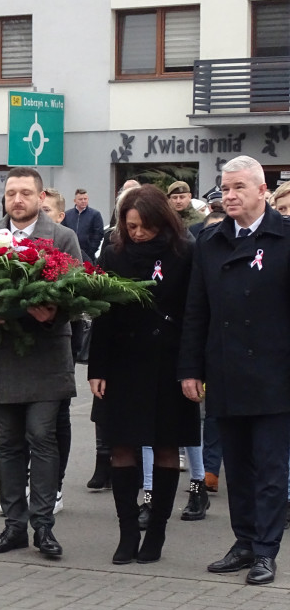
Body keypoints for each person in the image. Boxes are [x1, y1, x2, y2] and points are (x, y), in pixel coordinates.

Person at [179, 155, 290, 585]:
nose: (229, 195)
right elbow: (196, 310)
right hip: (224, 371)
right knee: (237, 468)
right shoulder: (209, 241)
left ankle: (266, 550)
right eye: (225, 188)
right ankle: (243, 542)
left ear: (263, 190)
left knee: (270, 467)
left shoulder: (284, 237)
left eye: (239, 187)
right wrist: (190, 369)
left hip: (275, 374)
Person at [88, 185, 198, 564]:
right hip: (122, 364)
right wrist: (97, 368)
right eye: (130, 225)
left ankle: (156, 534)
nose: (136, 233)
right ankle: (127, 532)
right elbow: (103, 311)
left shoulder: (184, 252)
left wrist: (192, 368)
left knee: (167, 446)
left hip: (168, 362)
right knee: (121, 447)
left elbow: (193, 312)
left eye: (143, 226)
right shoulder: (115, 253)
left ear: (160, 221)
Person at [0, 167, 81, 559]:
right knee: (8, 444)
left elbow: (78, 295)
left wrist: (51, 313)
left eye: (25, 193)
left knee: (42, 437)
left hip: (46, 355)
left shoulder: (63, 237)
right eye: (10, 194)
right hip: (4, 355)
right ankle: (14, 526)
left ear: (40, 198)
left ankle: (44, 527)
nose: (17, 200)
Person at [62, 188, 105, 262]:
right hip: (70, 253)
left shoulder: (95, 215)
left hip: (88, 254)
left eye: (85, 199)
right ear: (75, 201)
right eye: (80, 199)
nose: (83, 201)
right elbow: (63, 231)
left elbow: (98, 234)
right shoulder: (67, 215)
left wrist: (92, 249)